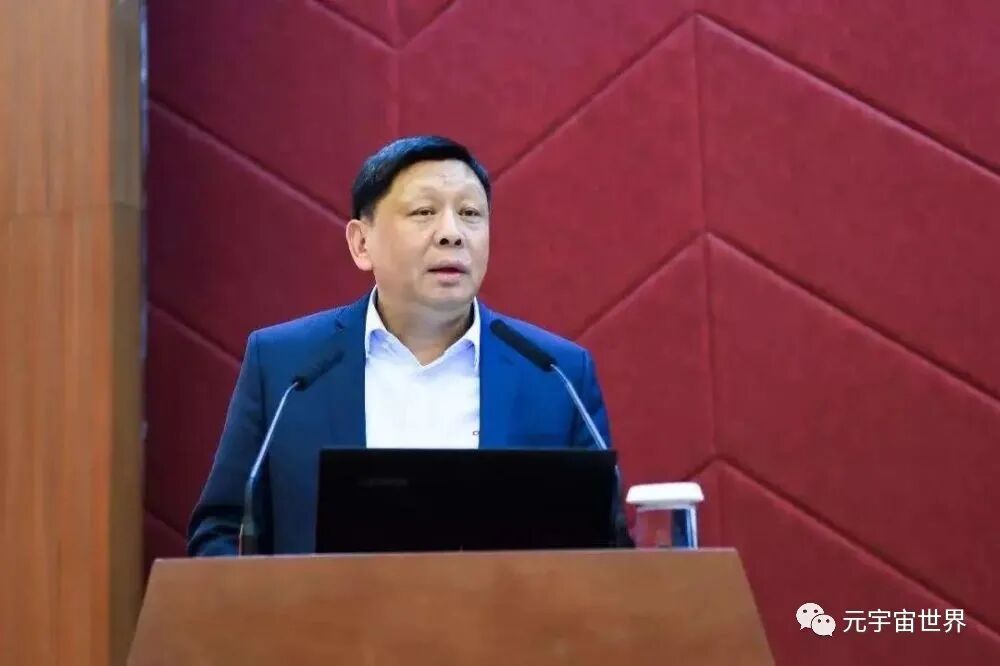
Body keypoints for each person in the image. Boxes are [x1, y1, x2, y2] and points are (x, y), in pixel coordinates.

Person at [188, 135, 631, 555]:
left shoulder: (555, 374)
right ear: (362, 243)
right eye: (424, 212)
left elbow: (608, 548)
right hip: (325, 614)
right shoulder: (286, 366)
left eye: (470, 213)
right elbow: (221, 530)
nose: (451, 233)